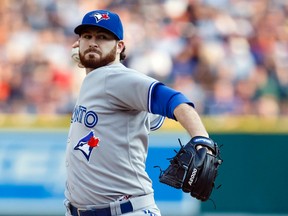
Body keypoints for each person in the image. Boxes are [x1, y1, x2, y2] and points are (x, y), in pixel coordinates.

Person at [64, 9, 213, 216]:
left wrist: (202, 140)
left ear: (119, 46)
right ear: (77, 43)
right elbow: (150, 119)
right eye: (87, 36)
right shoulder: (97, 80)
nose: (93, 42)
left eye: (102, 37)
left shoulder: (116, 78)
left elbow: (175, 101)